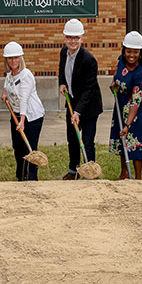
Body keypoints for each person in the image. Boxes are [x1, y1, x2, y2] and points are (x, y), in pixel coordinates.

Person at [59, 19, 103, 180]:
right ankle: (73, 170)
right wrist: (62, 82)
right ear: (65, 38)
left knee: (87, 140)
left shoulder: (89, 60)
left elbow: (88, 89)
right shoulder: (63, 52)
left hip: (89, 106)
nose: (73, 41)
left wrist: (78, 112)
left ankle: (89, 173)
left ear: (82, 39)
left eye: (76, 38)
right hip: (72, 101)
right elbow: (61, 69)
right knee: (72, 138)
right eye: (70, 37)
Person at [109, 31, 142, 179]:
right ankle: (123, 174)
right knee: (122, 140)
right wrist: (114, 85)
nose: (131, 55)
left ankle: (137, 177)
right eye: (128, 51)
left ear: (140, 52)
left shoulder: (141, 73)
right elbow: (117, 77)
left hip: (137, 110)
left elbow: (136, 101)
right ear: (123, 49)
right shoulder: (121, 61)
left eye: (135, 52)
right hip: (121, 104)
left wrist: (127, 125)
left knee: (135, 142)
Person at [0, 41, 45, 181]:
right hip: (16, 114)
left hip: (31, 116)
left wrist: (23, 120)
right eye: (10, 58)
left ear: (20, 58)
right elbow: (7, 86)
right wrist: (4, 94)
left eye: (16, 57)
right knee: (17, 148)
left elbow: (24, 99)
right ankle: (21, 177)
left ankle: (31, 178)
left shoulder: (26, 75)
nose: (13, 61)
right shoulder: (9, 75)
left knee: (28, 148)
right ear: (6, 60)